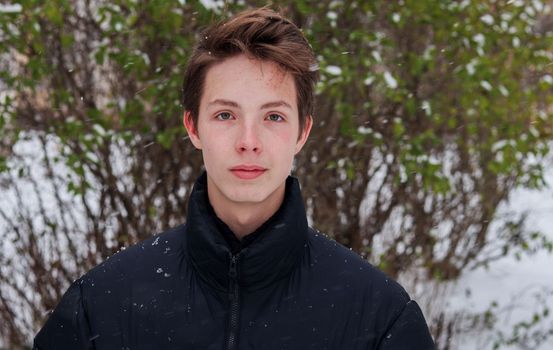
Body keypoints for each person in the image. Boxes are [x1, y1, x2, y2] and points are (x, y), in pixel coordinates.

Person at [34, 7, 435, 350]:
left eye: (273, 116)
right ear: (193, 127)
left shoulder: (379, 320)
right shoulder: (100, 307)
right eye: (225, 115)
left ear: (302, 132)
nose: (248, 142)